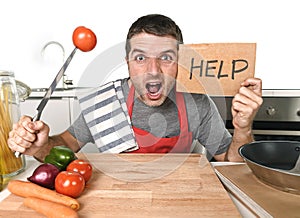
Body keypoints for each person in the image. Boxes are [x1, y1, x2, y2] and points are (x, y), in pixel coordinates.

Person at [8, 14, 263, 162]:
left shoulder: (198, 105)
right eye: (141, 58)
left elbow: (232, 165)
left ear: (180, 62)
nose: (153, 70)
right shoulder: (103, 103)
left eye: (166, 57)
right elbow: (64, 144)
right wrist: (39, 146)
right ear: (127, 62)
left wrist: (243, 129)